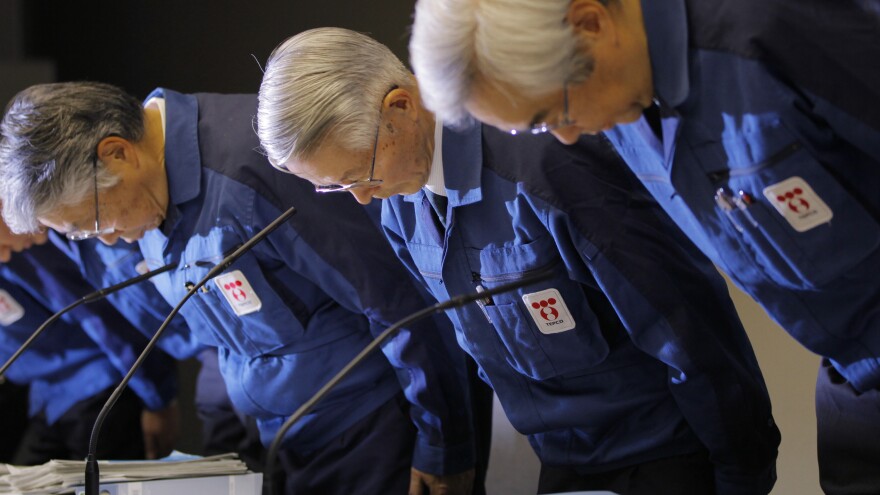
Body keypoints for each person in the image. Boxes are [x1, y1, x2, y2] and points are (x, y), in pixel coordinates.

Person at [255, 27, 781, 495]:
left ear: (401, 106)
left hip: (665, 457)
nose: (363, 199)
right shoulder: (402, 202)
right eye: (337, 187)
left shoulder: (545, 163)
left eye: (360, 173)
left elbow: (686, 323)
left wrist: (742, 473)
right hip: (562, 462)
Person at [408, 1, 880, 493]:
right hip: (849, 374)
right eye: (538, 128)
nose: (566, 138)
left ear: (590, 23)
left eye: (556, 112)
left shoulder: (766, 30)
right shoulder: (628, 113)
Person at [0, 81, 476, 494]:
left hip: (372, 429)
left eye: (95, 221)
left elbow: (397, 302)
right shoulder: (146, 198)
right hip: (284, 438)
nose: (105, 239)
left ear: (117, 152)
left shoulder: (253, 164)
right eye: (82, 235)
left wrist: (443, 442)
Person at [0, 212, 179, 463]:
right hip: (46, 396)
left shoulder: (29, 249)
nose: (5, 254)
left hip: (99, 387)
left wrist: (158, 399)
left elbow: (100, 319)